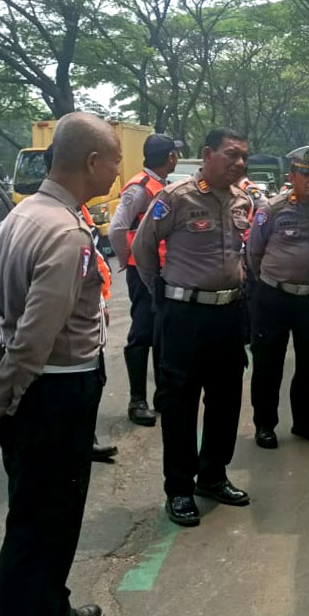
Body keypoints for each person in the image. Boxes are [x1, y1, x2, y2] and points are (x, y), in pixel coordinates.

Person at [0, 112, 119, 616]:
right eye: (115, 159)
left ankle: (52, 612)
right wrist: (5, 394)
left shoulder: (22, 214)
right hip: (53, 394)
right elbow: (37, 331)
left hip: (26, 391)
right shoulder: (66, 230)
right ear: (92, 163)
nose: (118, 170)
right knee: (40, 529)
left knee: (41, 515)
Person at [132, 127, 253, 527]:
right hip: (184, 317)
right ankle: (180, 489)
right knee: (180, 404)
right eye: (231, 154)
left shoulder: (242, 200)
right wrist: (161, 294)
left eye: (243, 157)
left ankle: (213, 475)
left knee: (226, 399)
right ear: (206, 154)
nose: (239, 163)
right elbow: (142, 248)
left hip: (227, 315)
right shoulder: (176, 198)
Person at [245, 146, 309, 449]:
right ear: (291, 176)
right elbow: (253, 253)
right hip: (273, 298)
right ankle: (265, 425)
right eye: (306, 173)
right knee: (269, 363)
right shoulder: (272, 209)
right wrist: (270, 283)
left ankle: (305, 420)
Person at [44, 142, 118, 463]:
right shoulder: (53, 215)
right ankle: (70, 443)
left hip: (90, 309)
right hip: (68, 324)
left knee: (94, 378)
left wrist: (101, 301)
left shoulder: (81, 209)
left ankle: (85, 438)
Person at [109, 133, 183, 427]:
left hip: (162, 270)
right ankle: (137, 401)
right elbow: (117, 229)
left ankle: (162, 397)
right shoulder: (139, 187)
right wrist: (131, 259)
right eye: (175, 154)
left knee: (162, 333)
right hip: (143, 271)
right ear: (169, 158)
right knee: (142, 333)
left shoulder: (159, 186)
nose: (176, 158)